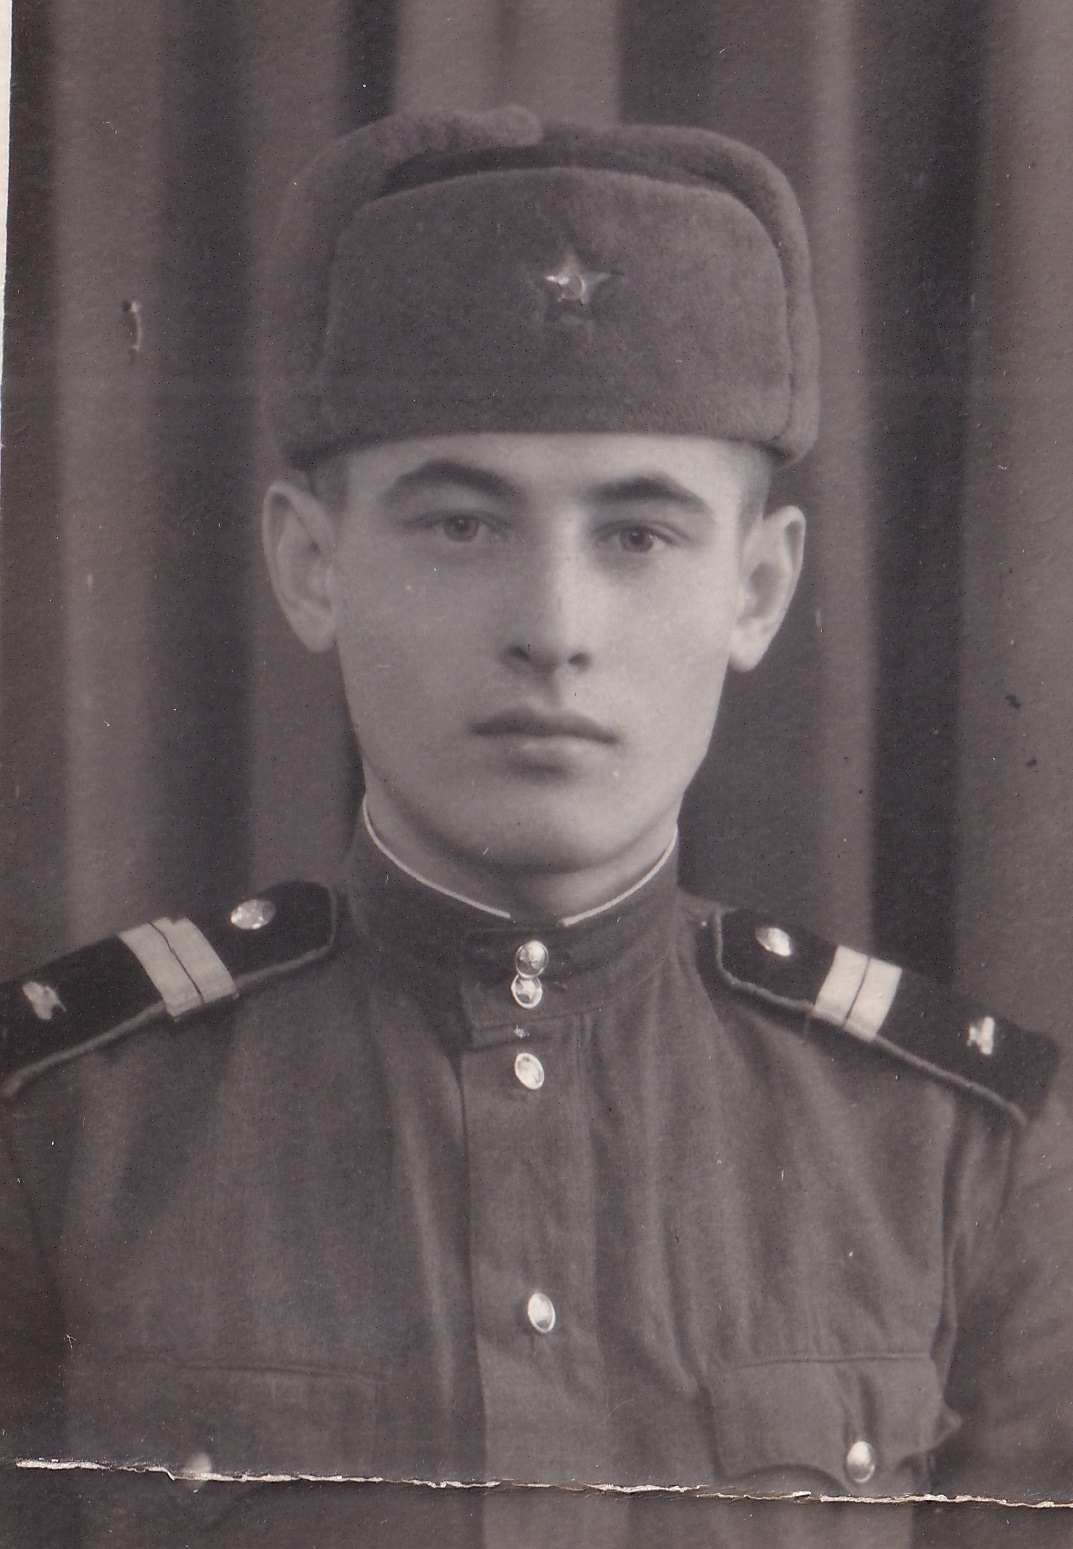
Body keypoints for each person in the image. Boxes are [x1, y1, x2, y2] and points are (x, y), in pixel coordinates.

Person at [1, 106, 1071, 1549]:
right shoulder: (64, 1135)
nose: (553, 628)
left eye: (639, 535)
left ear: (757, 589)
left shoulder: (961, 1156)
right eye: (462, 526)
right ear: (312, 566)